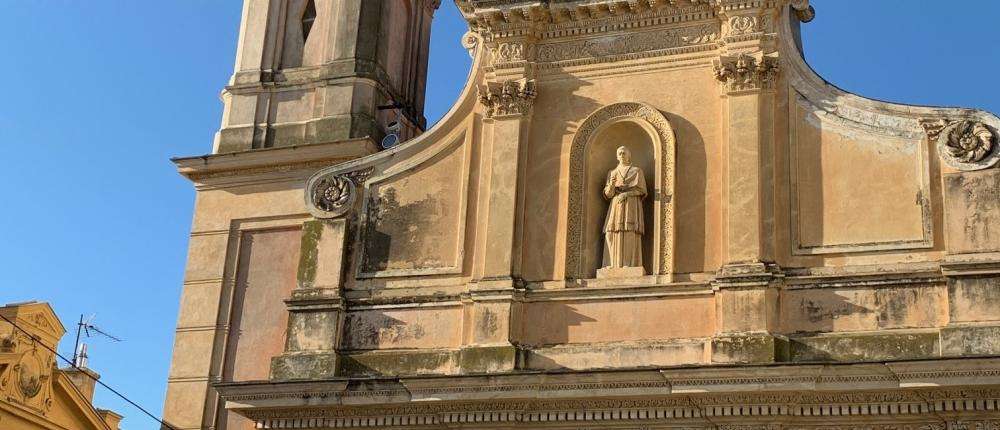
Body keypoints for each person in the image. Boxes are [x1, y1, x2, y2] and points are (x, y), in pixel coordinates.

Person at [603, 146, 647, 270]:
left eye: (624, 152)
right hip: (616, 204)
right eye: (619, 153)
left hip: (631, 203)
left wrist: (627, 193)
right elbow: (608, 194)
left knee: (629, 231)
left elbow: (642, 190)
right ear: (617, 156)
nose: (622, 154)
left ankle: (629, 263)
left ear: (629, 155)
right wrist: (611, 184)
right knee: (611, 232)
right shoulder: (612, 173)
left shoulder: (636, 171)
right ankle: (612, 263)